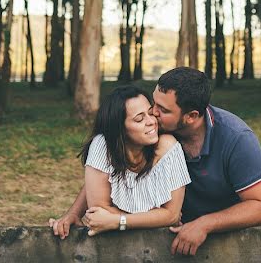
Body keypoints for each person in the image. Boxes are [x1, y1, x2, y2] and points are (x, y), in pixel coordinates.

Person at [50, 68, 261, 256]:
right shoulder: (158, 130)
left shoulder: (236, 139)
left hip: (220, 239)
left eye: (162, 110)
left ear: (191, 116)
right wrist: (75, 212)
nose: (153, 114)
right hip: (160, 231)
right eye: (153, 103)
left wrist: (205, 223)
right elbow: (110, 168)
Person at [48, 85, 191, 237]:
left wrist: (118, 221)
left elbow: (172, 215)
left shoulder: (168, 146)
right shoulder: (103, 145)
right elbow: (98, 211)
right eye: (139, 119)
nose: (151, 122)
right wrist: (155, 217)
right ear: (120, 129)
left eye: (150, 113)